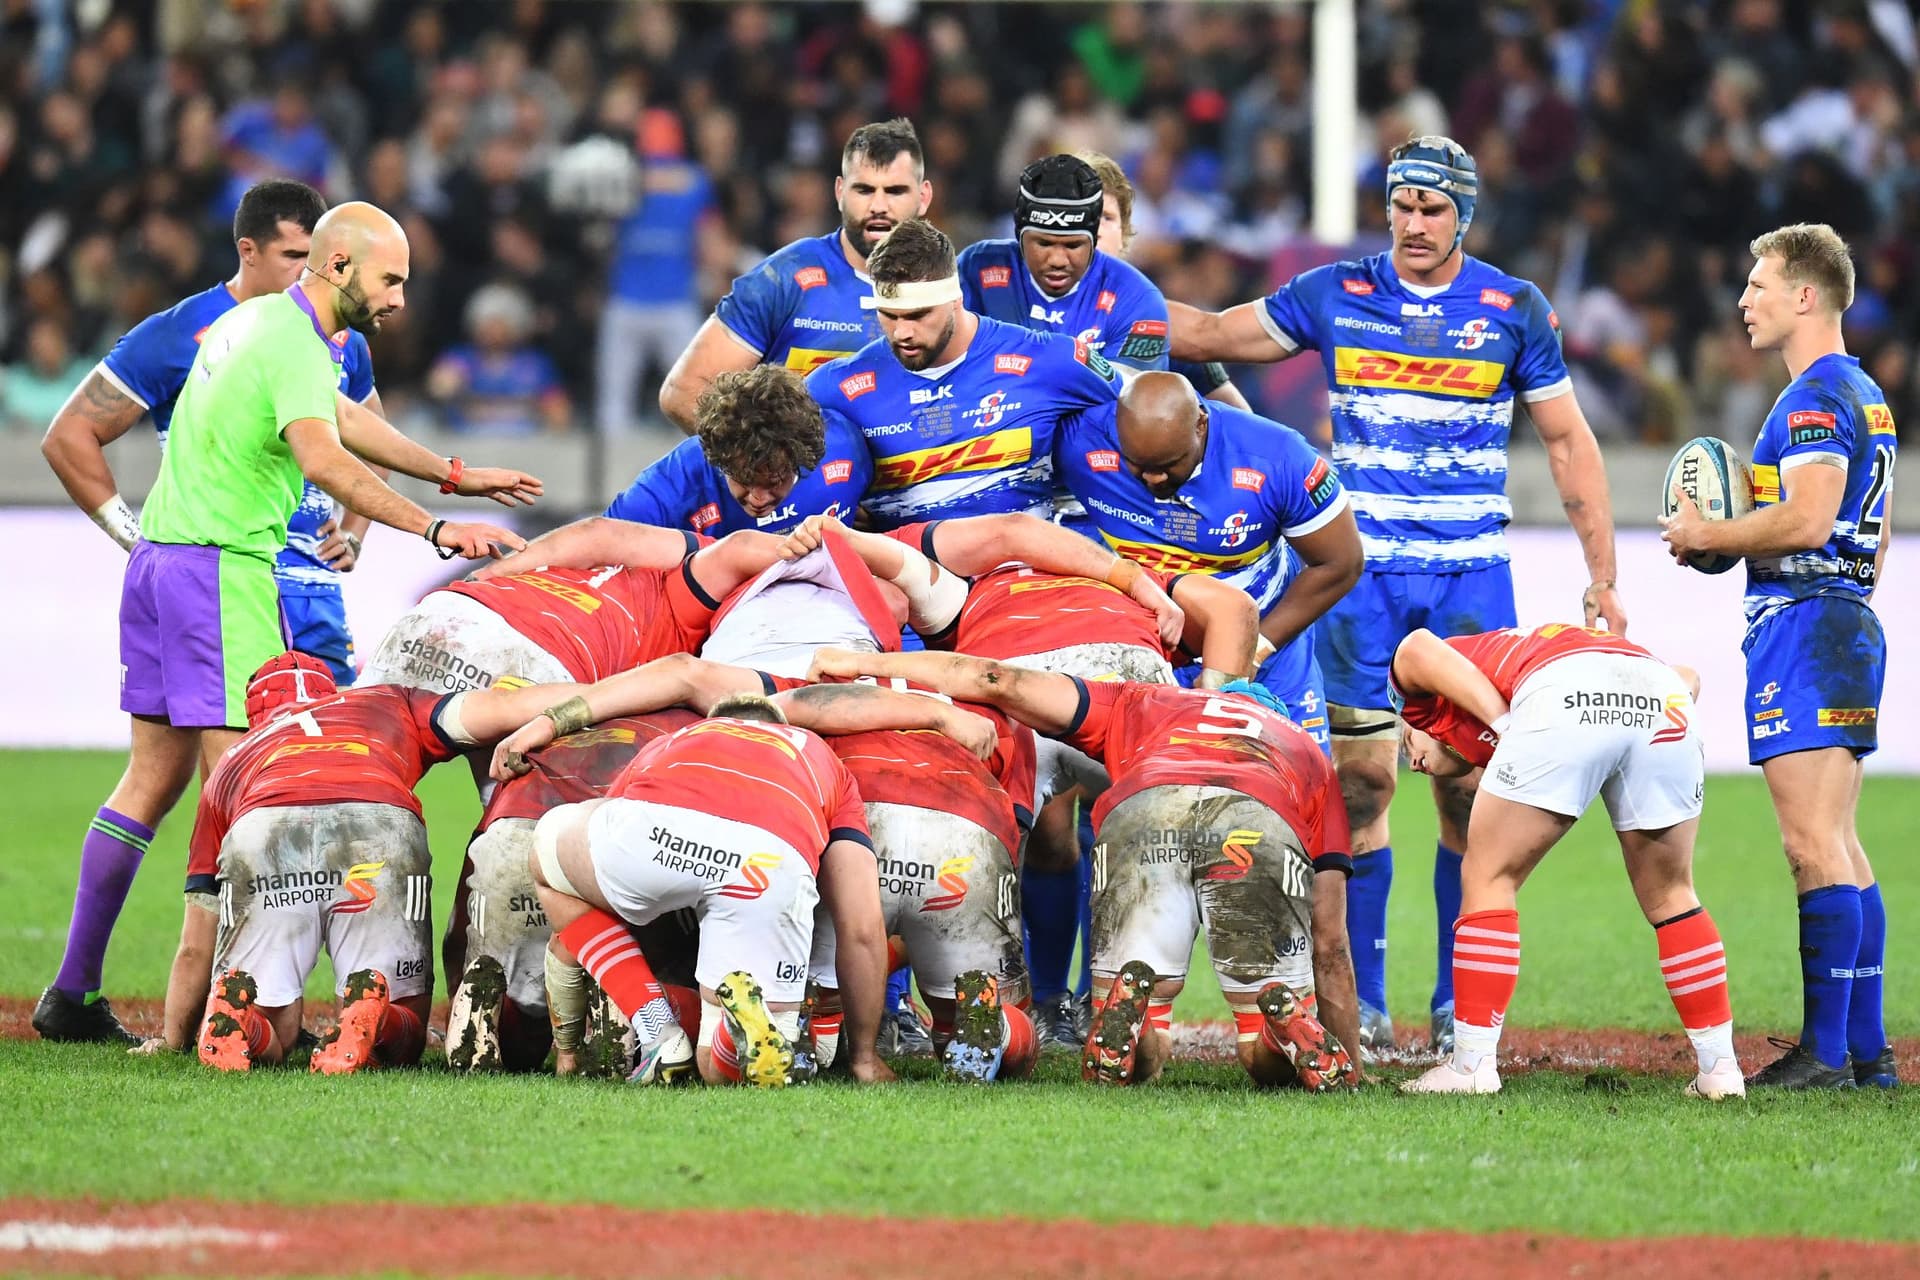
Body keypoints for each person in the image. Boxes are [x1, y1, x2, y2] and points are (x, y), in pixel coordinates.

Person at [32, 199, 540, 1044]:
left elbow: (345, 420)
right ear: (338, 267)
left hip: (160, 561)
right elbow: (321, 454)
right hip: (222, 571)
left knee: (151, 782)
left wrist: (452, 474)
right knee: (258, 796)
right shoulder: (295, 340)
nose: (401, 301)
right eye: (391, 280)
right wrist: (435, 527)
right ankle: (248, 1013)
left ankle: (72, 991)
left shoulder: (255, 322)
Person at [1167, 135, 1623, 1056]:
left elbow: (1570, 443)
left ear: (1466, 215)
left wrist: (1603, 574)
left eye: (1435, 210)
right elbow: (1215, 336)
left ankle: (1458, 998)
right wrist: (1107, 306)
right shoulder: (1335, 294)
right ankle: (1367, 998)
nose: (1415, 225)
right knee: (1364, 783)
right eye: (1404, 207)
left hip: (1468, 582)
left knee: (1467, 791)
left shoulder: (1513, 308)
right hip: (1358, 582)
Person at [809, 645, 1360, 1093]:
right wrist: (1354, 1066)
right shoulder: (1305, 751)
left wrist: (871, 665)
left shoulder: (1148, 701)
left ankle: (1130, 1018)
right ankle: (1281, 1030)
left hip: (1144, 806)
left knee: (1142, 1034)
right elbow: (1330, 942)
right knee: (1256, 1043)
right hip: (1254, 814)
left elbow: (996, 677)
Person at [1661, 222, 1897, 1090]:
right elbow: (1842, 535)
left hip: (1807, 626)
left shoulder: (1809, 401)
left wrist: (1706, 534)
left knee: (1810, 845)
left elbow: (1806, 518)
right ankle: (1866, 1054)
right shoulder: (1862, 392)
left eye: (1759, 286)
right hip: (1843, 620)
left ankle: (1826, 1054)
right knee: (1839, 840)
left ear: (1805, 296)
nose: (1743, 301)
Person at [40, 180, 383, 694]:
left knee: (321, 761)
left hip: (312, 592)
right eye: (293, 255)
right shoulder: (179, 333)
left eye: (315, 257)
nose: (306, 271)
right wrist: (135, 541)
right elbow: (68, 435)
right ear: (248, 250)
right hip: (214, 581)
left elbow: (376, 439)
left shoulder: (341, 337)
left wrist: (354, 530)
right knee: (210, 762)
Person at [1386, 624, 1742, 1099]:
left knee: (1486, 874)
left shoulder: (1423, 703)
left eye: (1407, 743)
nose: (1412, 761)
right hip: (1662, 696)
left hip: (1562, 694)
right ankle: (1721, 1072)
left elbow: (1415, 646)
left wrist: (1506, 725)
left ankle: (1470, 1067)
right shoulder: (1525, 661)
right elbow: (1687, 679)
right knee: (1672, 894)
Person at [519, 688, 937, 1087]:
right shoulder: (821, 757)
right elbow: (861, 928)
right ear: (778, 725)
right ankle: (728, 1034)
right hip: (770, 861)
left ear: (718, 721)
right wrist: (864, 1057)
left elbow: (610, 828)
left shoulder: (682, 737)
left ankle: (657, 1028)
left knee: (551, 860)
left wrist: (568, 1046)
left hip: (659, 831)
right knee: (720, 1069)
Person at [1056, 371, 1363, 753]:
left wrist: (1254, 652)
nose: (1153, 477)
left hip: (1268, 656)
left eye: (1170, 463)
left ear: (1201, 423)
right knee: (1129, 796)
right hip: (1146, 655)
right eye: (1137, 464)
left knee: (1298, 792)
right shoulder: (1075, 440)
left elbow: (1340, 563)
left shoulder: (1279, 456)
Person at [808, 218, 1123, 531]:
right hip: (904, 571)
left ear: (956, 298)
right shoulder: (837, 386)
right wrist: (829, 497)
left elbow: (1142, 415)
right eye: (889, 316)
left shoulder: (1050, 361)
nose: (902, 332)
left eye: (919, 315)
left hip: (1024, 568)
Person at [658, 119, 931, 430]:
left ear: (923, 197)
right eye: (864, 190)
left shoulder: (953, 289)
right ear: (840, 192)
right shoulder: (785, 278)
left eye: (895, 191)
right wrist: (764, 465)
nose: (879, 205)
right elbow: (685, 392)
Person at [358, 520, 787, 694]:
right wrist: (844, 549)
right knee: (516, 831)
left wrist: (484, 577)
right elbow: (744, 547)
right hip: (540, 655)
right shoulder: (693, 600)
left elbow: (596, 532)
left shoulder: (621, 565)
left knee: (344, 761)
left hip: (446, 612)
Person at [957, 153, 1170, 375]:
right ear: (1019, 236)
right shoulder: (977, 268)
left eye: (1073, 246)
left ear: (1093, 239)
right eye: (1044, 243)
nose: (1058, 260)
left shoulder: (1137, 297)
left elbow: (1128, 396)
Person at [605, 366, 871, 536]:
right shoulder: (675, 482)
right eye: (743, 480)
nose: (757, 498)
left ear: (801, 457)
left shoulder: (846, 447)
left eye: (774, 481)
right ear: (719, 459)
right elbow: (602, 542)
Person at [1080, 151, 1252, 410]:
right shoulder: (1011, 306)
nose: (1096, 230)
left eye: (1106, 217)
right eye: (1084, 216)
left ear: (1125, 232)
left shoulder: (1158, 319)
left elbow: (1242, 421)